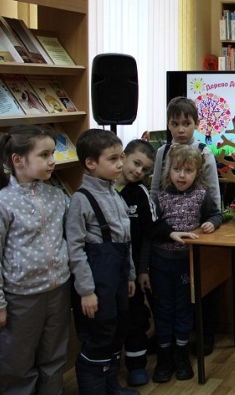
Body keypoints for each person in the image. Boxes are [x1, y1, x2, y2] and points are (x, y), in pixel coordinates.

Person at [0, 125, 71, 394]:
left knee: (54, 357)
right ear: (18, 160)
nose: (52, 160)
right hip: (21, 298)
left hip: (58, 291)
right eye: (44, 155)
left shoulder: (56, 196)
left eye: (53, 153)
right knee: (18, 364)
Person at [65, 128, 137, 394]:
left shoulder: (115, 194)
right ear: (91, 163)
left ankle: (111, 386)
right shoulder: (81, 200)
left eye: (122, 157)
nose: (120, 164)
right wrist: (86, 291)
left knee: (117, 329)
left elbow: (126, 240)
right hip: (96, 281)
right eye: (113, 159)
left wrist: (130, 275)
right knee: (99, 333)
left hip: (118, 276)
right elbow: (75, 249)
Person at [149, 95, 222, 354]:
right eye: (175, 124)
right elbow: (155, 190)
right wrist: (158, 223)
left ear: (196, 124)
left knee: (203, 286)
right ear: (168, 125)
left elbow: (213, 193)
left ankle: (205, 334)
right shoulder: (162, 153)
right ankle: (169, 337)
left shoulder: (204, 152)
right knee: (169, 294)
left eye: (186, 123)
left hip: (197, 229)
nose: (180, 129)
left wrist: (212, 221)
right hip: (168, 232)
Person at [114, 139, 158, 387]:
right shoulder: (102, 188)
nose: (139, 171)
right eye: (136, 163)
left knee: (136, 317)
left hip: (133, 272)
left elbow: (149, 233)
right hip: (108, 272)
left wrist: (142, 270)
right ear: (123, 157)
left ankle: (136, 365)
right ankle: (108, 370)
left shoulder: (140, 192)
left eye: (145, 169)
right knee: (111, 320)